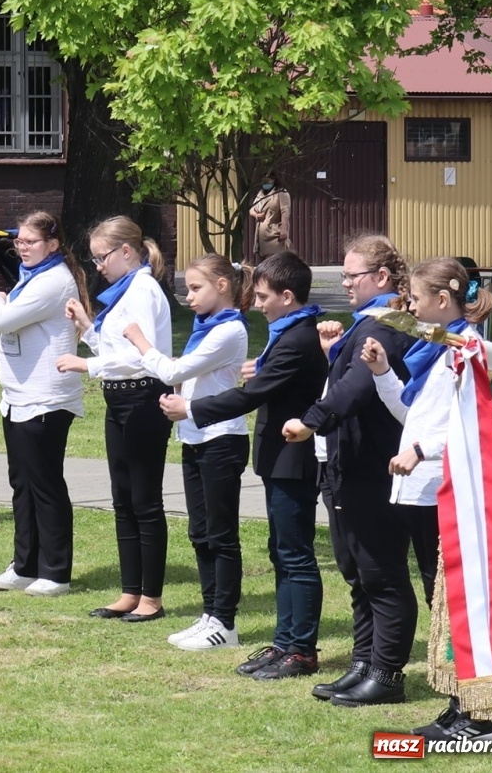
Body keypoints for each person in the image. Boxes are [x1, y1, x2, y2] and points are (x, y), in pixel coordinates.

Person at [163, 252, 327, 678]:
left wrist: (192, 408)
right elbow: (269, 383)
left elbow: (251, 397)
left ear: (287, 296)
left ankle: (301, 650)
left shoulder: (297, 337)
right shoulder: (287, 333)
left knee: (295, 554)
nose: (258, 302)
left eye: (264, 295)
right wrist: (263, 370)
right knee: (281, 552)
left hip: (294, 458)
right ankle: (284, 642)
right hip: (277, 457)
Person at [283, 234, 414, 705]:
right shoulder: (364, 325)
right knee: (356, 572)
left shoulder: (389, 324)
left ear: (380, 277)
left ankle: (388, 675)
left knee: (382, 573)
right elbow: (345, 379)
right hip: (343, 465)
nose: (345, 284)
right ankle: (363, 662)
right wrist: (329, 353)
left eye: (351, 275)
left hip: (372, 468)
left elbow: (358, 387)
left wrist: (310, 420)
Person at [0, 210, 88, 597]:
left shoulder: (54, 283)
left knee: (45, 484)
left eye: (30, 242)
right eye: (19, 241)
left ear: (53, 245)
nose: (22, 248)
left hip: (46, 399)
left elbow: (4, 319)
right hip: (18, 398)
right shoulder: (32, 279)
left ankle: (56, 572)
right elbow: (4, 316)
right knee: (22, 484)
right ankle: (25, 565)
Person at [122, 255, 251, 649]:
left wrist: (140, 340)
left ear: (223, 286)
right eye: (187, 288)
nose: (188, 297)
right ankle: (209, 613)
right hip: (195, 437)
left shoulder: (228, 330)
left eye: (196, 288)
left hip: (222, 440)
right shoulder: (205, 327)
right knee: (200, 532)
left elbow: (175, 371)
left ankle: (224, 622)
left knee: (221, 534)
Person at [58, 215, 172, 622]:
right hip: (120, 400)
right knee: (122, 499)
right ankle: (130, 591)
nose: (98, 267)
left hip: (143, 399)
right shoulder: (124, 291)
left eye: (102, 257)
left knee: (144, 500)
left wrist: (85, 366)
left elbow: (143, 355)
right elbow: (115, 347)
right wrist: (88, 330)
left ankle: (151, 598)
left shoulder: (142, 289)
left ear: (126, 251)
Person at [364, 258, 492, 608]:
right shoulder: (437, 348)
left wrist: (421, 451)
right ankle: (443, 661)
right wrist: (382, 372)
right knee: (432, 582)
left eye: (417, 298)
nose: (411, 306)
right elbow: (414, 418)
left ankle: (454, 661)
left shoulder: (467, 352)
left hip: (444, 486)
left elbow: (473, 425)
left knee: (447, 586)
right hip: (421, 486)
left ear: (441, 301)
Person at [248, 174, 292, 259]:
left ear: (274, 179)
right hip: (262, 234)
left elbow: (285, 212)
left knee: (276, 260)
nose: (266, 183)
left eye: (268, 180)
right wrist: (256, 215)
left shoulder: (281, 192)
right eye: (264, 180)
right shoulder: (260, 193)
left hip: (275, 233)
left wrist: (284, 229)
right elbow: (251, 209)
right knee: (265, 261)